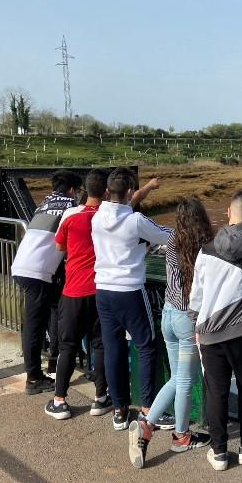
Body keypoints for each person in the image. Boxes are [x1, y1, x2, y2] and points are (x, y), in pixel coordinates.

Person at [188, 189, 242, 471]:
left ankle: (219, 452)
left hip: (208, 330)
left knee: (216, 391)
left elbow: (196, 295)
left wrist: (195, 323)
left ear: (228, 213)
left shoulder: (207, 249)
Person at [128, 197, 214, 468]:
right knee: (183, 380)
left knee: (180, 378)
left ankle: (181, 435)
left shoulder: (173, 241)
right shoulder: (204, 246)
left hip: (168, 314)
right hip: (188, 320)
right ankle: (149, 426)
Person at [92, 167, 172, 432]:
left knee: (113, 348)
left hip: (103, 291)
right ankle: (149, 409)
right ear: (128, 191)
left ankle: (119, 410)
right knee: (146, 345)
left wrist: (146, 189)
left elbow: (125, 205)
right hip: (130, 291)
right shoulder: (135, 221)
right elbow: (165, 235)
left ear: (107, 191)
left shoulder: (96, 216)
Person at [43, 168, 111, 420]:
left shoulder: (72, 215)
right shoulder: (109, 216)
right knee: (101, 344)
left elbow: (59, 245)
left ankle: (60, 400)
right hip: (101, 289)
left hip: (73, 290)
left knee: (67, 345)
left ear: (85, 189)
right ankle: (100, 398)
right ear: (107, 190)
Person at [12, 169, 82, 395]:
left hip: (26, 266)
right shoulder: (70, 207)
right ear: (72, 190)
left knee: (55, 306)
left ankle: (54, 358)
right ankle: (33, 379)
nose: (78, 194)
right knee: (34, 325)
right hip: (37, 271)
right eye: (78, 190)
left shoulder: (45, 203)